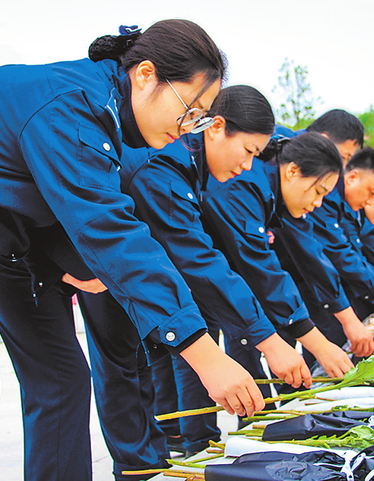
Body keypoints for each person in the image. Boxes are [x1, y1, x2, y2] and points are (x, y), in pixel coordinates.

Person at [0, 19, 266, 480]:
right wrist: (203, 353)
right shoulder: (71, 107)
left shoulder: (97, 110)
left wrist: (73, 260)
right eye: (189, 109)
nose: (188, 128)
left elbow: (35, 198)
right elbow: (108, 227)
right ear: (145, 75)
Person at [77, 85, 313, 468]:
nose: (248, 166)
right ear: (216, 128)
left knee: (137, 385)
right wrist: (268, 339)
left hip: (129, 279)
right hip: (97, 274)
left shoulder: (190, 167)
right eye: (249, 151)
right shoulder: (163, 166)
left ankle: (154, 464)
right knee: (118, 383)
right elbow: (199, 260)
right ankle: (146, 469)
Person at [200, 132, 355, 410]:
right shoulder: (245, 184)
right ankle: (192, 443)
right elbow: (261, 268)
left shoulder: (271, 192)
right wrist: (317, 345)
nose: (318, 203)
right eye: (318, 192)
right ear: (293, 170)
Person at [273, 147, 374, 363]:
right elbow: (329, 253)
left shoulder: (339, 205)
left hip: (300, 291)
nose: (317, 202)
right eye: (373, 193)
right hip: (292, 289)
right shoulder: (305, 196)